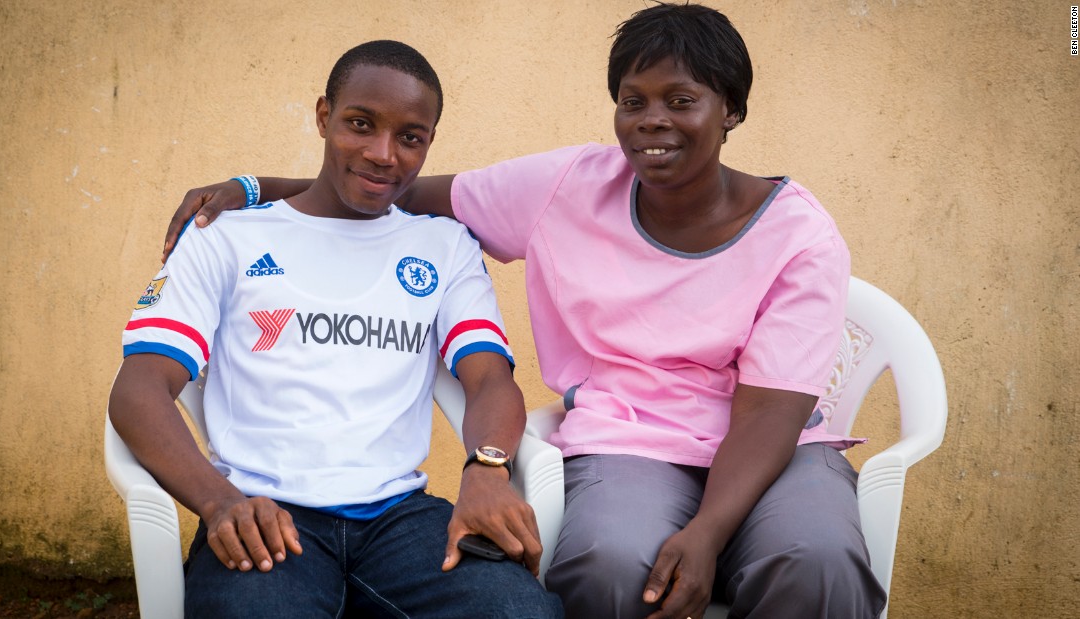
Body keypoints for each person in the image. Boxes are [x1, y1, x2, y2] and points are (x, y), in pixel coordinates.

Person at [161, 5, 887, 619]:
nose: (652, 122)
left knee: (815, 556)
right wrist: (256, 190)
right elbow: (396, 184)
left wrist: (704, 531)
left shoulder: (799, 232)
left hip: (771, 443)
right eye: (633, 101)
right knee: (607, 562)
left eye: (681, 100)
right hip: (629, 439)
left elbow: (768, 413)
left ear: (730, 109)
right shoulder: (569, 184)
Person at [110, 40, 563, 618]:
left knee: (519, 612)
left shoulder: (443, 245)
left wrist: (488, 470)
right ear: (324, 116)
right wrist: (219, 502)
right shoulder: (225, 234)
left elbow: (489, 381)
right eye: (359, 124)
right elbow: (139, 388)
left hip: (402, 520)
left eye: (410, 137)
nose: (383, 153)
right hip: (265, 513)